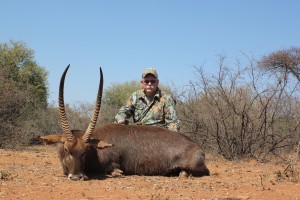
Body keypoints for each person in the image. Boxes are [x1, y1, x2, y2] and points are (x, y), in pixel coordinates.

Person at [114, 67, 180, 132]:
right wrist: (121, 119)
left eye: (153, 81)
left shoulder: (167, 98)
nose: (149, 84)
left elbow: (173, 123)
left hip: (158, 136)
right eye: (146, 81)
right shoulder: (135, 96)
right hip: (138, 134)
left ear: (157, 82)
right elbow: (122, 112)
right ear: (142, 83)